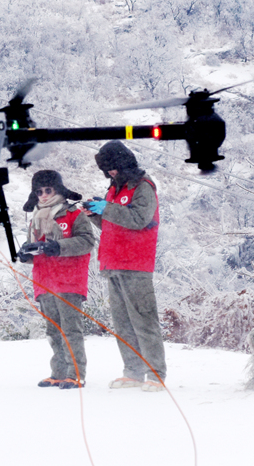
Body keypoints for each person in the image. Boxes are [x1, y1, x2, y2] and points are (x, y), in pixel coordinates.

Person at [83, 140, 167, 392]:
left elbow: (140, 219)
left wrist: (107, 208)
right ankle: (132, 372)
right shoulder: (114, 190)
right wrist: (96, 215)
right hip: (112, 262)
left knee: (143, 320)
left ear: (124, 162)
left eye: (113, 167)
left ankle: (156, 374)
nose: (110, 173)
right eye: (106, 169)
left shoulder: (144, 186)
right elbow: (113, 224)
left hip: (136, 262)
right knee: (122, 323)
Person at [18, 170, 96, 390]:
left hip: (69, 280)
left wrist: (58, 247)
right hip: (44, 281)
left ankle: (76, 374)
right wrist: (25, 255)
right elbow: (36, 249)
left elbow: (87, 242)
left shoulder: (73, 214)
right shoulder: (35, 217)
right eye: (39, 191)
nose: (43, 195)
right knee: (53, 330)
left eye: (48, 190)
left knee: (71, 329)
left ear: (58, 190)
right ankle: (58, 373)